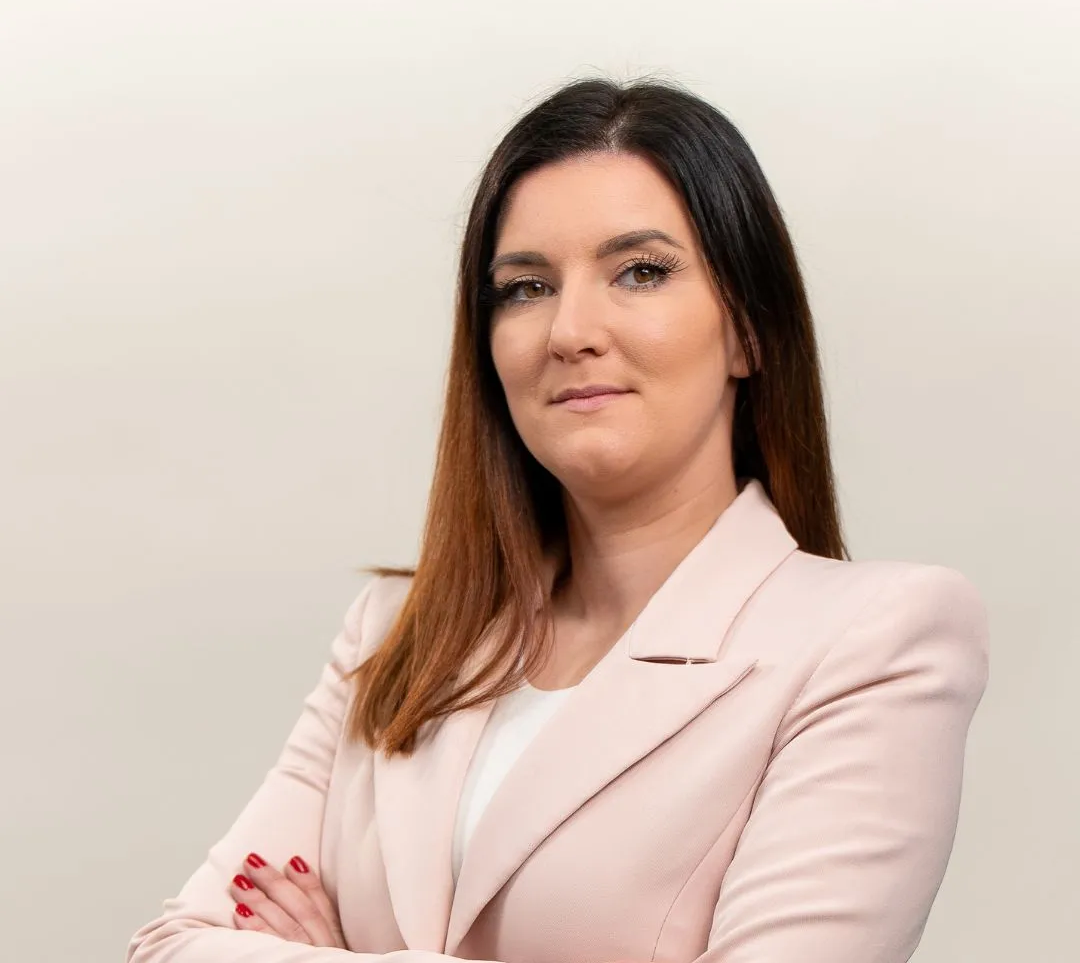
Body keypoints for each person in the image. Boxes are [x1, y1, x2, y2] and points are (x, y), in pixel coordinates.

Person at [126, 76, 989, 963]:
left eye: (640, 272)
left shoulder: (875, 639)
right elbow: (170, 949)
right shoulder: (395, 634)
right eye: (525, 288)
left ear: (748, 331)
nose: (569, 330)